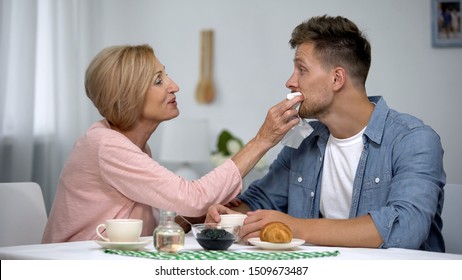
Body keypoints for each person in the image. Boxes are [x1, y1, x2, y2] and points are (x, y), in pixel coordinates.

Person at [206, 15, 446, 252]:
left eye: (302, 69)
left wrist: (297, 227)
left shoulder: (414, 140)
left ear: (336, 78)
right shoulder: (304, 142)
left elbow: (405, 229)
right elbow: (258, 203)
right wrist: (229, 215)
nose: (290, 82)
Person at [42, 44, 302, 243]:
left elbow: (149, 232)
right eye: (158, 81)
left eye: (166, 75)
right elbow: (193, 198)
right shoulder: (106, 146)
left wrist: (195, 218)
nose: (174, 86)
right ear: (128, 96)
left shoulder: (132, 145)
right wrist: (263, 140)